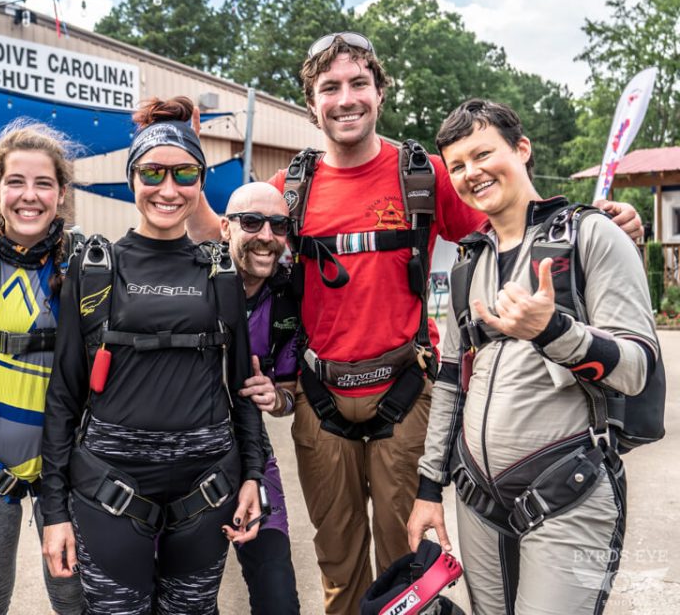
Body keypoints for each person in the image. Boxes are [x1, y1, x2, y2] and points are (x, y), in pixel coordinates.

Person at [186, 33, 644, 614]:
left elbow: (510, 211)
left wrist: (598, 223)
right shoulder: (292, 190)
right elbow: (226, 230)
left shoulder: (421, 176)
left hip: (405, 395)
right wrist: (180, 169)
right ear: (311, 103)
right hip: (318, 398)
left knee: (403, 565)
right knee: (336, 561)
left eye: (358, 84)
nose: (345, 98)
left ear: (380, 93)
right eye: (330, 87)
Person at [408, 98, 658, 613]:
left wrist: (553, 332)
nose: (471, 173)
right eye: (457, 165)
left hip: (570, 492)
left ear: (522, 149)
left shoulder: (592, 236)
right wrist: (429, 489)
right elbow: (453, 384)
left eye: (483, 154)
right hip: (476, 501)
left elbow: (637, 369)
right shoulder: (467, 265)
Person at [41, 96, 264, 614]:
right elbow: (64, 397)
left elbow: (242, 389)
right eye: (153, 173)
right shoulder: (96, 269)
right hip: (108, 484)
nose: (169, 189)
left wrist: (253, 475)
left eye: (185, 174)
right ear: (132, 177)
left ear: (201, 182)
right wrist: (54, 512)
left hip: (207, 485)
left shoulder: (220, 272)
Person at [0, 119, 83, 615]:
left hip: (66, 467)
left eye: (43, 183)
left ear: (61, 193)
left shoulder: (86, 264)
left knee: (73, 598)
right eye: (16, 182)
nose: (28, 197)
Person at [223, 182, 301, 614]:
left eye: (278, 225)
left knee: (279, 600)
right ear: (224, 228)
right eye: (251, 222)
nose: (267, 236)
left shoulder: (289, 297)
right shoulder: (196, 281)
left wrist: (276, 398)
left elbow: (290, 393)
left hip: (252, 449)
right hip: (182, 452)